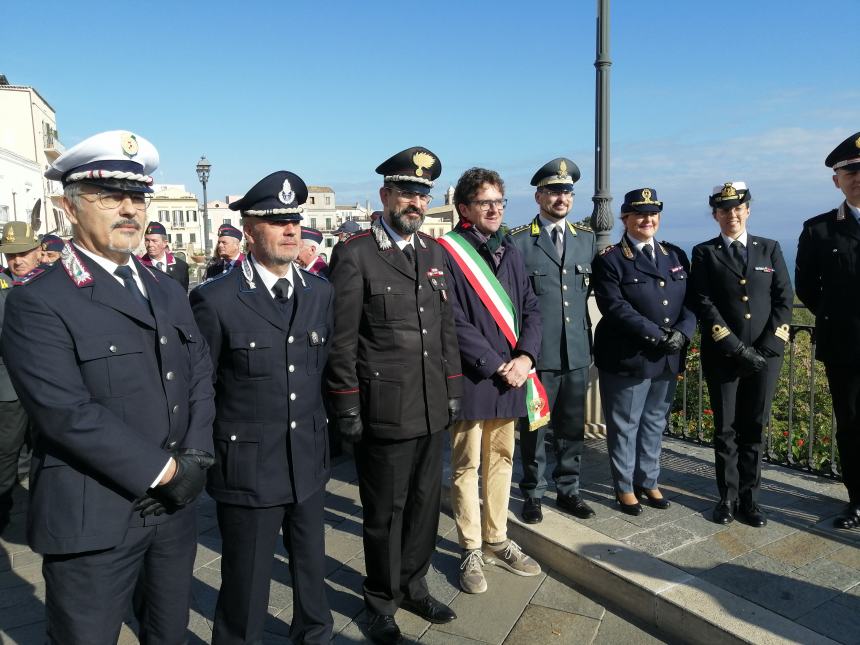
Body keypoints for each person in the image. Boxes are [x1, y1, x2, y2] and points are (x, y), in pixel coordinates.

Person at [0, 130, 216, 644]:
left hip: (172, 509)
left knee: (170, 634)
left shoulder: (165, 288)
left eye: (137, 197)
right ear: (69, 209)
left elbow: (200, 374)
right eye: (109, 197)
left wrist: (198, 457)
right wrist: (163, 471)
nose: (128, 210)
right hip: (92, 516)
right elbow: (63, 411)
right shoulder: (40, 301)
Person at [326, 146, 462, 644]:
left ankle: (414, 584)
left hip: (429, 406)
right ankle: (381, 601)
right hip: (383, 409)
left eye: (422, 195)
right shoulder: (356, 253)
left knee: (426, 505)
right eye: (406, 192)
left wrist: (452, 391)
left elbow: (444, 327)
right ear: (386, 195)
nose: (415, 203)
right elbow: (342, 338)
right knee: (385, 511)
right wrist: (345, 403)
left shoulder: (434, 252)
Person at [191, 171, 334, 644]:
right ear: (250, 232)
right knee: (246, 583)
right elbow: (202, 387)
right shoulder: (216, 299)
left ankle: (314, 636)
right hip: (249, 467)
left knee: (312, 573)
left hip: (308, 459)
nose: (291, 229)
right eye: (277, 222)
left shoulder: (319, 293)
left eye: (294, 219)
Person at [439, 167, 542, 595]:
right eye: (486, 202)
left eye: (500, 201)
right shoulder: (447, 252)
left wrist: (525, 357)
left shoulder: (511, 248)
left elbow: (531, 307)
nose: (495, 208)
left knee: (502, 461)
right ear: (464, 208)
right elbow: (451, 319)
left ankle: (498, 538)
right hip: (474, 377)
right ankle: (470, 547)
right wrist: (496, 362)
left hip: (513, 377)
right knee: (466, 466)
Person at [689, 181, 792, 527]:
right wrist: (735, 347)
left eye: (737, 208)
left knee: (755, 427)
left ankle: (752, 499)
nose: (731, 214)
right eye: (723, 210)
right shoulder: (705, 252)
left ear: (747, 210)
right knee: (726, 429)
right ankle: (727, 498)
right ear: (715, 215)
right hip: (723, 354)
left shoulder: (770, 249)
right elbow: (703, 302)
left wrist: (767, 349)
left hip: (766, 357)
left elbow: (783, 300)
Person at [592, 189, 696, 515]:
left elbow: (690, 302)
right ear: (624, 219)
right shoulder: (610, 259)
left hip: (667, 356)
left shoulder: (675, 255)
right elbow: (615, 308)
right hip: (628, 356)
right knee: (625, 426)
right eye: (639, 214)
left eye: (652, 214)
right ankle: (624, 487)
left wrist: (682, 333)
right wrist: (657, 336)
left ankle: (648, 480)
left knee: (654, 422)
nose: (647, 220)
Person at [510, 157, 597, 524]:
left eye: (567, 191)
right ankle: (532, 492)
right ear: (538, 196)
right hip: (538, 356)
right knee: (534, 428)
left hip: (576, 353)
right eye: (554, 191)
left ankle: (569, 490)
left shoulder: (587, 240)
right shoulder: (518, 243)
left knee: (572, 427)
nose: (561, 198)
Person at [796, 131, 860, 529]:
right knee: (851, 425)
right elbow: (806, 287)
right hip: (845, 348)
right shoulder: (818, 230)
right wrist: (838, 317)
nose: (857, 175)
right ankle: (857, 500)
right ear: (836, 179)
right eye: (849, 169)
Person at [0, 269, 25, 534]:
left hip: (48, 382)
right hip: (9, 384)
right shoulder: (5, 283)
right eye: (11, 255)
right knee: (7, 451)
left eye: (22, 253)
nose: (17, 261)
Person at [139, 221, 190, 290]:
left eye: (154, 241)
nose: (150, 244)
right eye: (147, 240)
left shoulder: (181, 266)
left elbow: (184, 295)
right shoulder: (139, 266)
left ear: (164, 243)